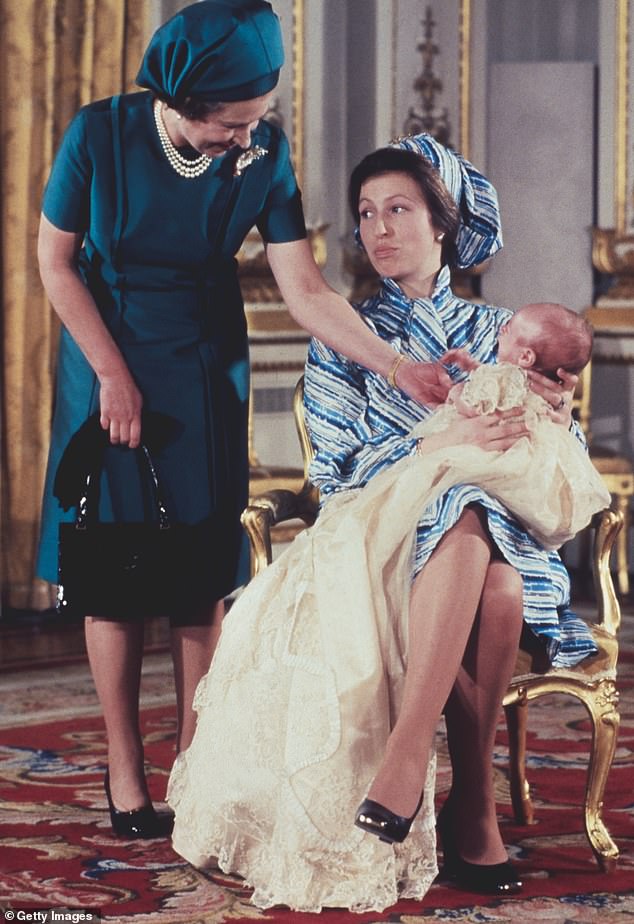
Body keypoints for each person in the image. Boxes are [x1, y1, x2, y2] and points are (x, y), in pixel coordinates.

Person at [35, 1, 454, 840]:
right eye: (234, 123)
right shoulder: (98, 135)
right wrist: (111, 375)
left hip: (201, 365)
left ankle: (197, 770)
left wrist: (400, 367)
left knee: (200, 579)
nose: (248, 137)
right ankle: (126, 773)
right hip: (106, 354)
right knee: (114, 580)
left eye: (257, 120)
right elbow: (53, 261)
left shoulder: (265, 151)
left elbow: (304, 290)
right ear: (187, 102)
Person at [166, 137, 604, 911]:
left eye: (399, 210)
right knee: (462, 514)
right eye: (367, 214)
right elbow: (333, 475)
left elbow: (546, 457)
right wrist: (442, 443)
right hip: (374, 534)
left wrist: (554, 415)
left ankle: (441, 780)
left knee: (490, 554)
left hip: (499, 540)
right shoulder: (342, 337)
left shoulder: (506, 328)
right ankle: (458, 792)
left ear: (442, 224)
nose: (379, 229)